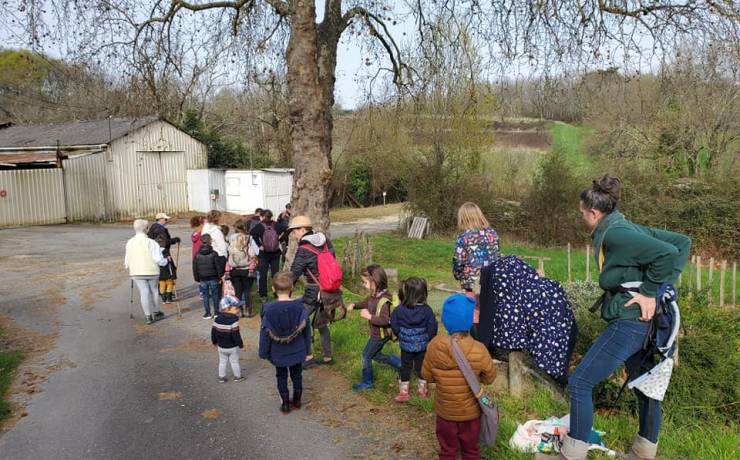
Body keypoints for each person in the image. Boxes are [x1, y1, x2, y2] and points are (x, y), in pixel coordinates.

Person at [535, 176, 690, 460]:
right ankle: (643, 453)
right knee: (646, 387)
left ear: (593, 213)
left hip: (630, 323)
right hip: (646, 325)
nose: (582, 217)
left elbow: (670, 252)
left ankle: (571, 455)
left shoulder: (616, 233)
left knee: (580, 382)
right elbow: (683, 242)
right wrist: (658, 292)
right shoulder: (621, 224)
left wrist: (651, 292)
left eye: (582, 213)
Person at [422, 293, 496, 460]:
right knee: (470, 451)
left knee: (447, 451)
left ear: (446, 321)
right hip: (471, 414)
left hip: (445, 413)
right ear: (469, 321)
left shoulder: (434, 346)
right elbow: (490, 377)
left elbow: (426, 376)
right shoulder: (479, 349)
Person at [258, 272, 312, 414]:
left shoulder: (268, 310)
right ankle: (298, 401)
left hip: (278, 351)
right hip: (297, 349)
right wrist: (308, 351)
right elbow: (307, 331)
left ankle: (286, 404)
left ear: (273, 289)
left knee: (281, 375)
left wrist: (263, 352)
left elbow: (264, 333)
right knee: (297, 374)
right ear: (292, 287)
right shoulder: (300, 308)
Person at [288, 215, 335, 367]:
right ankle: (328, 357)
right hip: (330, 289)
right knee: (321, 323)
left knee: (301, 318)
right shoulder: (325, 241)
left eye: (294, 231)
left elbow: (294, 272)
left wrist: (284, 290)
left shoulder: (304, 248)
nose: (293, 235)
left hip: (314, 291)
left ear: (302, 230)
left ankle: (308, 357)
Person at [347, 264, 401, 391]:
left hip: (380, 335)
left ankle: (368, 382)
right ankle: (400, 364)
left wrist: (369, 317)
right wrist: (355, 305)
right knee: (375, 355)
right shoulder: (374, 295)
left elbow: (385, 320)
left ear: (374, 282)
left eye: (365, 282)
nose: (363, 284)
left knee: (365, 356)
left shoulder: (383, 301)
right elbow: (366, 302)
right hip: (377, 333)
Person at [452, 202, 499, 340]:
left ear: (463, 218)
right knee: (489, 311)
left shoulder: (463, 238)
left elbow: (458, 262)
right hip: (491, 281)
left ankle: (478, 345)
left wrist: (459, 276)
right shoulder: (493, 234)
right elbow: (497, 256)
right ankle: (490, 346)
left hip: (472, 284)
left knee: (474, 313)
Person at [390, 277, 438, 402]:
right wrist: (429, 338)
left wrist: (400, 334)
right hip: (422, 345)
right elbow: (432, 326)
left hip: (406, 345)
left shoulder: (399, 309)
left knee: (405, 367)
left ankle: (404, 392)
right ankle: (422, 390)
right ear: (423, 294)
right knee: (421, 367)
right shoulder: (427, 310)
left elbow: (393, 323)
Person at [124, 219, 169, 324]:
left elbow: (127, 259)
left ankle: (148, 316)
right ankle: (157, 311)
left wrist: (128, 266)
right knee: (154, 290)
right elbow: (158, 259)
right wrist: (165, 262)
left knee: (144, 292)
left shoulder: (130, 242)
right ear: (146, 229)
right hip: (152, 270)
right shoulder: (151, 243)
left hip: (136, 271)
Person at [251, 210, 287, 302]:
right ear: (271, 216)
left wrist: (259, 245)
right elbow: (287, 229)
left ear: (262, 216)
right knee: (275, 275)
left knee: (263, 275)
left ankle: (263, 295)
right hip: (275, 253)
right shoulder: (277, 225)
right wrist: (280, 239)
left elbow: (252, 233)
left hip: (263, 254)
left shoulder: (259, 226)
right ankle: (277, 293)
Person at [211, 295, 245, 383]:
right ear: (228, 308)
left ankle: (221, 377)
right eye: (236, 308)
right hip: (232, 347)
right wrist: (240, 344)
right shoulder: (234, 321)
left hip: (221, 346)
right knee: (234, 362)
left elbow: (213, 332)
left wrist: (214, 342)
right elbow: (236, 335)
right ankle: (237, 376)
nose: (238, 310)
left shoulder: (217, 319)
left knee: (222, 362)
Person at [193, 234, 225, 319]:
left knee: (205, 295)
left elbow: (195, 267)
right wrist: (220, 276)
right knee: (215, 295)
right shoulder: (214, 253)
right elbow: (218, 266)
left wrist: (197, 278)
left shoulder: (197, 254)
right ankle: (216, 312)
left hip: (202, 278)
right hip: (213, 277)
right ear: (210, 241)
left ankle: (207, 313)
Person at [228, 233, 258, 317]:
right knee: (247, 291)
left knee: (238, 292)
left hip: (235, 272)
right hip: (246, 271)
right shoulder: (248, 248)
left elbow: (229, 260)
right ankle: (248, 311)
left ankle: (239, 311)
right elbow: (253, 257)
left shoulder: (231, 248)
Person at [154, 234, 177, 304]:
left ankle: (163, 299)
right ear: (164, 243)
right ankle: (169, 298)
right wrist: (174, 269)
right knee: (170, 283)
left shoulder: (155, 252)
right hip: (168, 272)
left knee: (162, 284)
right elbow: (170, 263)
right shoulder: (166, 252)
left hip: (159, 272)